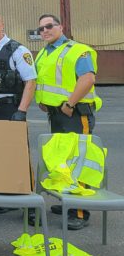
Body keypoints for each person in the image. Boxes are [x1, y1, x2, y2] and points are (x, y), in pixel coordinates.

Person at [33, 13, 102, 230]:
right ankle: (68, 202)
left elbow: (88, 79)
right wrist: (43, 101)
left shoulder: (77, 50)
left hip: (74, 113)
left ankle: (79, 212)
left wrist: (70, 104)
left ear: (61, 27)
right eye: (41, 28)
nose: (45, 31)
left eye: (49, 26)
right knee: (61, 160)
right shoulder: (44, 52)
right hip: (57, 114)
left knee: (78, 160)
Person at [0, 11, 37, 220]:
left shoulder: (18, 50)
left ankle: (31, 205)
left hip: (10, 108)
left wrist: (21, 111)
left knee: (19, 156)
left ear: (2, 25)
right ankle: (1, 198)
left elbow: (30, 82)